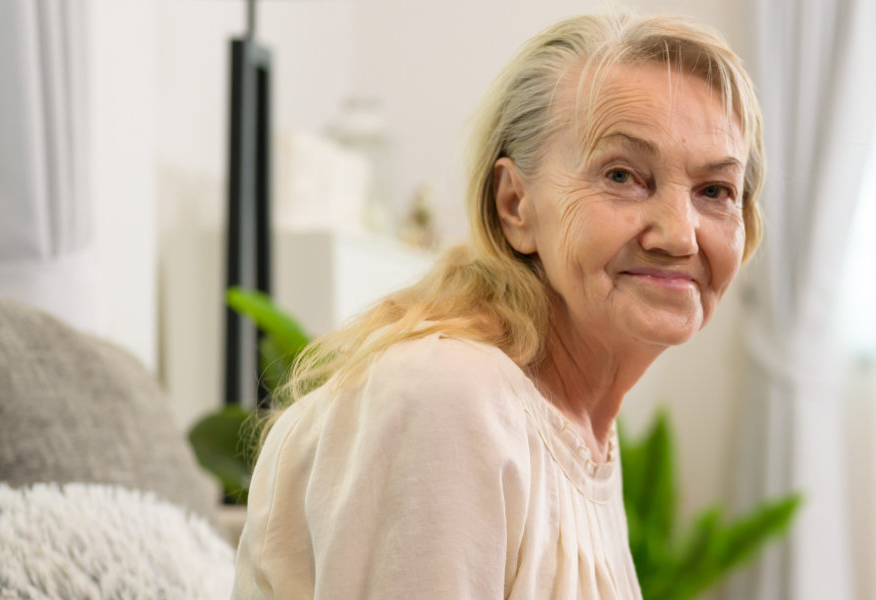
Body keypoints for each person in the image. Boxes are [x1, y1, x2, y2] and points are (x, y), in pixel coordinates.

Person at [232, 12, 763, 599]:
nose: (681, 235)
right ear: (515, 205)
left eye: (715, 191)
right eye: (622, 175)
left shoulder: (579, 432)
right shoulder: (450, 396)